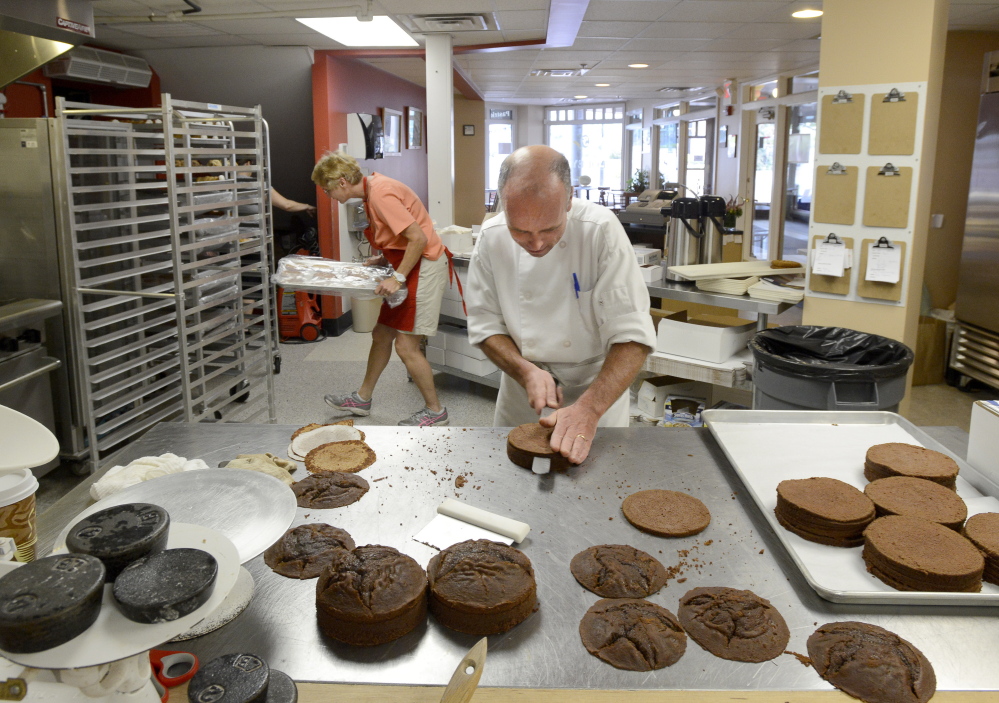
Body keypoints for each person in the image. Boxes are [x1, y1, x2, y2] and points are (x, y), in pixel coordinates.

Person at [466, 145, 656, 463]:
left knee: (594, 493)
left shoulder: (601, 232)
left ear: (569, 200)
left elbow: (633, 336)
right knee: (512, 492)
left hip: (596, 391)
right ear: (503, 204)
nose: (536, 243)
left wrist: (590, 409)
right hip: (522, 396)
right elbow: (485, 326)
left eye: (550, 228)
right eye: (520, 230)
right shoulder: (492, 237)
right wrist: (525, 371)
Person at [312, 151, 450, 427]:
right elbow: (400, 237)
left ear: (341, 182)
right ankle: (363, 398)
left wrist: (397, 277)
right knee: (381, 333)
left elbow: (418, 238)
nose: (329, 197)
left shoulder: (380, 194)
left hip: (422, 267)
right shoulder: (370, 192)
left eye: (328, 190)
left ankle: (435, 412)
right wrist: (384, 258)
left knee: (406, 345)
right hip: (407, 265)